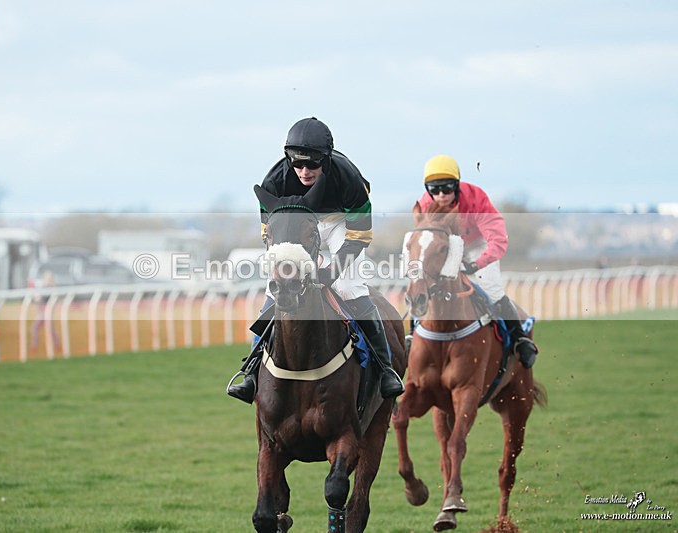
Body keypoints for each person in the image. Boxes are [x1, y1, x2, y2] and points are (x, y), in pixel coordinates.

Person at [227, 117, 405, 403]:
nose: (305, 171)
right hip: (295, 227)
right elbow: (269, 235)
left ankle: (385, 370)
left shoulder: (349, 180)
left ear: (328, 157)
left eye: (313, 163)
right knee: (275, 292)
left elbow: (359, 236)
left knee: (350, 288)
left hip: (340, 225)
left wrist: (331, 271)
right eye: (297, 164)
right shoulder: (273, 182)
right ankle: (249, 372)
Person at [416, 154, 537, 368]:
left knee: (491, 288)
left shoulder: (475, 197)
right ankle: (412, 336)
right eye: (434, 190)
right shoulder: (425, 205)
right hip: (449, 244)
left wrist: (477, 264)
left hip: (478, 244)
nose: (441, 195)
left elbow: (497, 239)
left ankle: (520, 339)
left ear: (457, 185)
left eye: (447, 188)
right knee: (425, 286)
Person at [30, 270, 60, 352]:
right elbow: (37, 300)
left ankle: (56, 345)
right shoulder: (42, 289)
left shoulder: (53, 290)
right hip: (42, 313)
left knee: (50, 330)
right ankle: (34, 345)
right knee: (35, 328)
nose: (48, 281)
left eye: (49, 279)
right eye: (47, 279)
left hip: (48, 313)